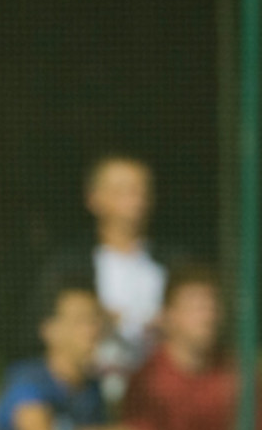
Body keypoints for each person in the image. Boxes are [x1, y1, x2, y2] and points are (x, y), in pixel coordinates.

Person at [34, 155, 173, 404]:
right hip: (89, 396)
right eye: (123, 190)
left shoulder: (174, 263)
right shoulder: (68, 266)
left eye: (142, 190)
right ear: (94, 199)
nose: (136, 198)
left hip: (158, 398)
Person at [0, 282, 144, 430]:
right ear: (49, 330)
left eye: (95, 319)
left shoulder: (92, 387)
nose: (93, 330)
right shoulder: (27, 380)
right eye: (81, 320)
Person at [122, 265, 262, 430]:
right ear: (168, 316)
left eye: (212, 307)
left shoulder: (241, 374)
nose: (208, 317)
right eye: (197, 308)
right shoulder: (146, 381)